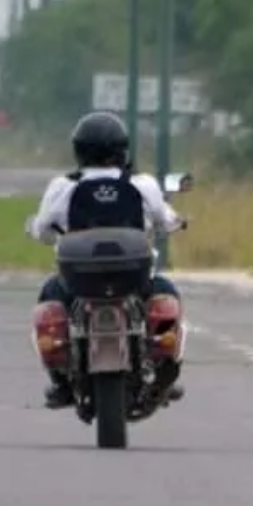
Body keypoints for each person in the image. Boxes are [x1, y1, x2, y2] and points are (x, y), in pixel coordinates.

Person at [27, 111, 186, 409]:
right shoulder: (142, 184)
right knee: (167, 294)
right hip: (134, 279)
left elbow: (43, 229)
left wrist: (40, 231)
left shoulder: (63, 187)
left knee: (49, 298)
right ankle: (165, 370)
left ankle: (60, 382)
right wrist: (176, 222)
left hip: (78, 282)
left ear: (79, 149)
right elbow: (166, 220)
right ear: (122, 148)